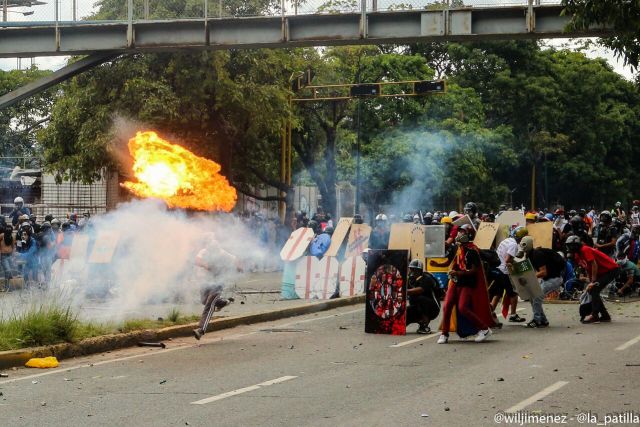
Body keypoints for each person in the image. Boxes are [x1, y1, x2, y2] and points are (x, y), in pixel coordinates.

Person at [438, 224, 494, 344]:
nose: (459, 234)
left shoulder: (472, 251)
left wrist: (458, 273)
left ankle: (484, 329)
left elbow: (474, 270)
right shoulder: (455, 248)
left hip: (467, 283)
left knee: (463, 308)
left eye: (462, 232)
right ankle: (444, 334)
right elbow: (449, 261)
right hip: (456, 282)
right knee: (447, 306)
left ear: (468, 235)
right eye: (459, 232)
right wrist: (437, 265)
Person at [192, 234, 237, 340]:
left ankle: (201, 330)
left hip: (218, 282)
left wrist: (237, 267)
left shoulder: (222, 253)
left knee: (209, 305)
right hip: (205, 281)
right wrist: (207, 265)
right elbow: (197, 260)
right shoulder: (204, 251)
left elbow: (235, 260)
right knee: (204, 300)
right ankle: (224, 302)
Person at [566, 235, 619, 323]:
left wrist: (593, 281)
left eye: (571, 245)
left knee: (594, 289)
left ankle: (594, 315)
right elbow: (588, 267)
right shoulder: (577, 255)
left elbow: (594, 265)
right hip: (603, 272)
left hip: (611, 269)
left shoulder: (585, 249)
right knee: (593, 290)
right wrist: (590, 282)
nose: (569, 247)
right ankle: (605, 315)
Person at [519, 236, 566, 328]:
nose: (522, 247)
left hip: (554, 279)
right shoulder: (530, 255)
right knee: (533, 297)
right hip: (548, 279)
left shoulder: (537, 255)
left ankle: (537, 320)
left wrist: (529, 278)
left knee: (536, 297)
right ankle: (543, 320)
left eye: (524, 244)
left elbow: (543, 272)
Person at [492, 226, 526, 323]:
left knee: (498, 293)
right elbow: (507, 260)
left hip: (497, 269)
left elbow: (503, 256)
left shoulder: (506, 240)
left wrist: (514, 257)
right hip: (504, 271)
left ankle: (491, 312)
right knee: (513, 293)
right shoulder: (514, 245)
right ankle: (513, 315)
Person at [406, 259, 442, 334]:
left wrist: (405, 292)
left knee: (420, 299)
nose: (412, 272)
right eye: (411, 269)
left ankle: (424, 325)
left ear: (420, 270)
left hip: (433, 308)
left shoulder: (427, 278)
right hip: (418, 307)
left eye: (414, 270)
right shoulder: (410, 280)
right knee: (406, 313)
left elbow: (420, 290)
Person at [0, 225, 16, 291]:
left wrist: (13, 255)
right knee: (7, 270)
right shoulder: (1, 235)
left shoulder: (12, 236)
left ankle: (9, 286)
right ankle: (6, 287)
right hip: (3, 256)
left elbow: (13, 246)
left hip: (10, 255)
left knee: (11, 271)